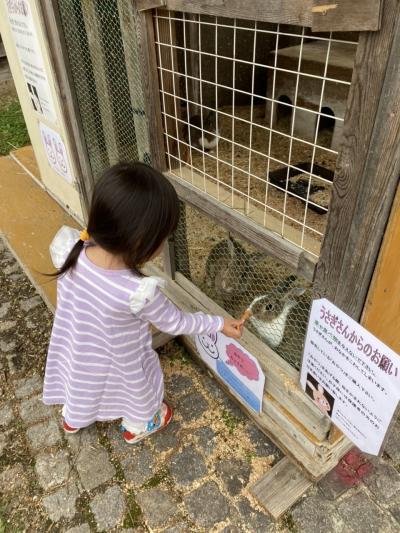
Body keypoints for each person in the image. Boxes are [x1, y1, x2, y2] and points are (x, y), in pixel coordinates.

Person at [43, 162, 243, 445]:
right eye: (163, 237)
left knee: (80, 380)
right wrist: (219, 323)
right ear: (140, 241)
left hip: (78, 349)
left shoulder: (69, 250)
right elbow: (177, 322)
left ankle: (73, 418)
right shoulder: (138, 292)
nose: (164, 243)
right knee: (137, 389)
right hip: (120, 362)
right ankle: (140, 423)